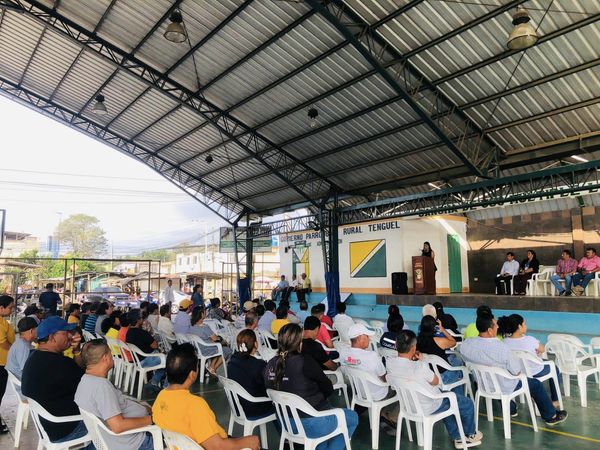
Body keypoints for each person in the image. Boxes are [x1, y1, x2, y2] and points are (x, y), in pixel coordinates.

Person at [459, 314, 567, 426]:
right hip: (504, 385)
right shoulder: (501, 347)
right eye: (495, 325)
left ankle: (511, 408)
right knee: (536, 384)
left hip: (483, 384)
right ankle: (551, 416)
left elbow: (461, 354)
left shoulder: (467, 344)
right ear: (490, 331)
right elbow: (516, 371)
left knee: (497, 381)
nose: (498, 327)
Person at [264, 324, 358, 450]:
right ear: (299, 343)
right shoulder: (305, 361)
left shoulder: (270, 364)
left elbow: (270, 388)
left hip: (285, 422)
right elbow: (327, 387)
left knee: (321, 439)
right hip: (312, 423)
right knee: (352, 417)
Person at [153, 343, 260, 450]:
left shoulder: (161, 396)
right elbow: (216, 446)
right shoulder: (194, 405)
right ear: (192, 375)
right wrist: (248, 442)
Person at [387, 330, 483, 449]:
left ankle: (457, 436)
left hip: (408, 405)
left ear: (396, 346)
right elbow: (436, 381)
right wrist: (422, 361)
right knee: (466, 403)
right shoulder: (420, 366)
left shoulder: (390, 363)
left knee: (447, 400)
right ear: (413, 347)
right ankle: (470, 434)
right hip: (429, 405)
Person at [21, 316, 89, 445]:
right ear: (52, 337)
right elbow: (90, 385)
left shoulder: (34, 357)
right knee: (112, 428)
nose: (70, 336)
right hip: (67, 428)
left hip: (49, 426)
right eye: (66, 333)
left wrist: (76, 351)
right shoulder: (60, 364)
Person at [75, 340, 154, 450]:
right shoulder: (101, 387)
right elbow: (118, 426)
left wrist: (142, 408)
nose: (112, 357)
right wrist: (153, 419)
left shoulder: (85, 380)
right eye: (110, 354)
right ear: (105, 358)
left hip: (115, 439)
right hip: (133, 442)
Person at [339, 323, 397, 428]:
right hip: (377, 395)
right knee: (398, 389)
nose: (369, 339)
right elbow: (384, 378)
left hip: (359, 392)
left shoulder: (344, 354)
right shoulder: (371, 356)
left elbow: (344, 371)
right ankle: (385, 415)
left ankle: (364, 409)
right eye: (367, 336)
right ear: (360, 338)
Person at [498, 314, 561, 408]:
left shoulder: (504, 342)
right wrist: (537, 351)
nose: (526, 326)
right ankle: (555, 400)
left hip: (516, 372)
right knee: (554, 368)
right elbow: (542, 349)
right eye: (524, 324)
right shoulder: (529, 340)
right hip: (535, 371)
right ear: (519, 326)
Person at [227, 330, 274, 419]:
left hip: (237, 406)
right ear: (256, 344)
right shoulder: (258, 365)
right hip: (253, 408)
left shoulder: (232, 360)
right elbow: (269, 387)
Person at [416, 315, 462, 393]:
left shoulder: (416, 341)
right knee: (460, 370)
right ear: (434, 327)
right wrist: (443, 330)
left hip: (429, 377)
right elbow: (453, 342)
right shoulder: (439, 341)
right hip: (443, 377)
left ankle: (452, 396)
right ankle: (459, 397)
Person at [126, 309, 165, 388]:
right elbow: (155, 345)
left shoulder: (128, 332)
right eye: (141, 317)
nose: (143, 319)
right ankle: (156, 383)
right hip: (146, 360)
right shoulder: (142, 333)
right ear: (138, 320)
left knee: (164, 361)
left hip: (136, 360)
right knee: (169, 361)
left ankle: (155, 381)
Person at [188, 306, 231, 377]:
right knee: (227, 350)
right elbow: (215, 338)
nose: (206, 313)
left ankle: (211, 366)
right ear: (202, 314)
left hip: (197, 350)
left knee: (219, 346)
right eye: (204, 312)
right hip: (207, 349)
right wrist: (222, 340)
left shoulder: (191, 326)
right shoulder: (205, 327)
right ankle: (213, 368)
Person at [0, 295, 16, 433]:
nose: (12, 310)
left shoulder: (2, 321)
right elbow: (3, 344)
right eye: (10, 308)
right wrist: (16, 351)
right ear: (1, 307)